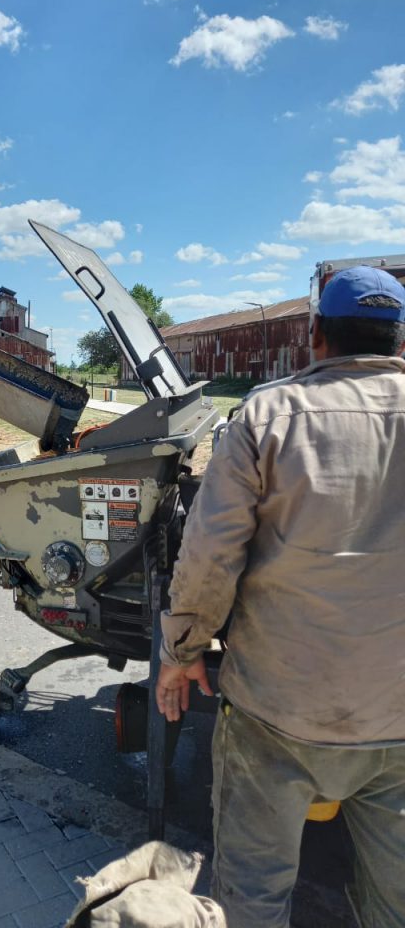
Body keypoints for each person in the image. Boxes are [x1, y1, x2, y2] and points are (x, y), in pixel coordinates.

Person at [155, 265, 405, 928]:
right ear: (398, 340)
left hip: (276, 714)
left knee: (253, 899)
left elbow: (210, 555)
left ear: (315, 334)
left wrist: (181, 650)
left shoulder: (267, 414)